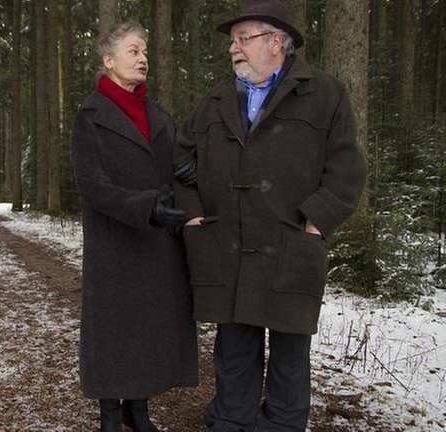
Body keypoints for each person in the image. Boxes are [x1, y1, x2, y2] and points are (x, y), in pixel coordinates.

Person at [173, 0, 366, 431]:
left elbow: (347, 170)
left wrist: (314, 222)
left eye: (244, 38)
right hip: (227, 244)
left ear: (276, 41)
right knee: (235, 346)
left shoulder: (327, 94)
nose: (233, 49)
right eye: (232, 41)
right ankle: (232, 420)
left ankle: (281, 423)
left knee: (290, 351)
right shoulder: (215, 100)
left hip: (291, 243)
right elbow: (179, 162)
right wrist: (190, 215)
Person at [71, 21, 198, 432]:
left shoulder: (159, 114)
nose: (143, 58)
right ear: (108, 61)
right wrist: (145, 207)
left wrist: (189, 183)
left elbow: (177, 170)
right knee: (113, 328)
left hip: (156, 242)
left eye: (144, 51)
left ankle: (138, 408)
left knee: (147, 325)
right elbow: (91, 185)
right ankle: (110, 412)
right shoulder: (90, 116)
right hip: (115, 239)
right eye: (132, 50)